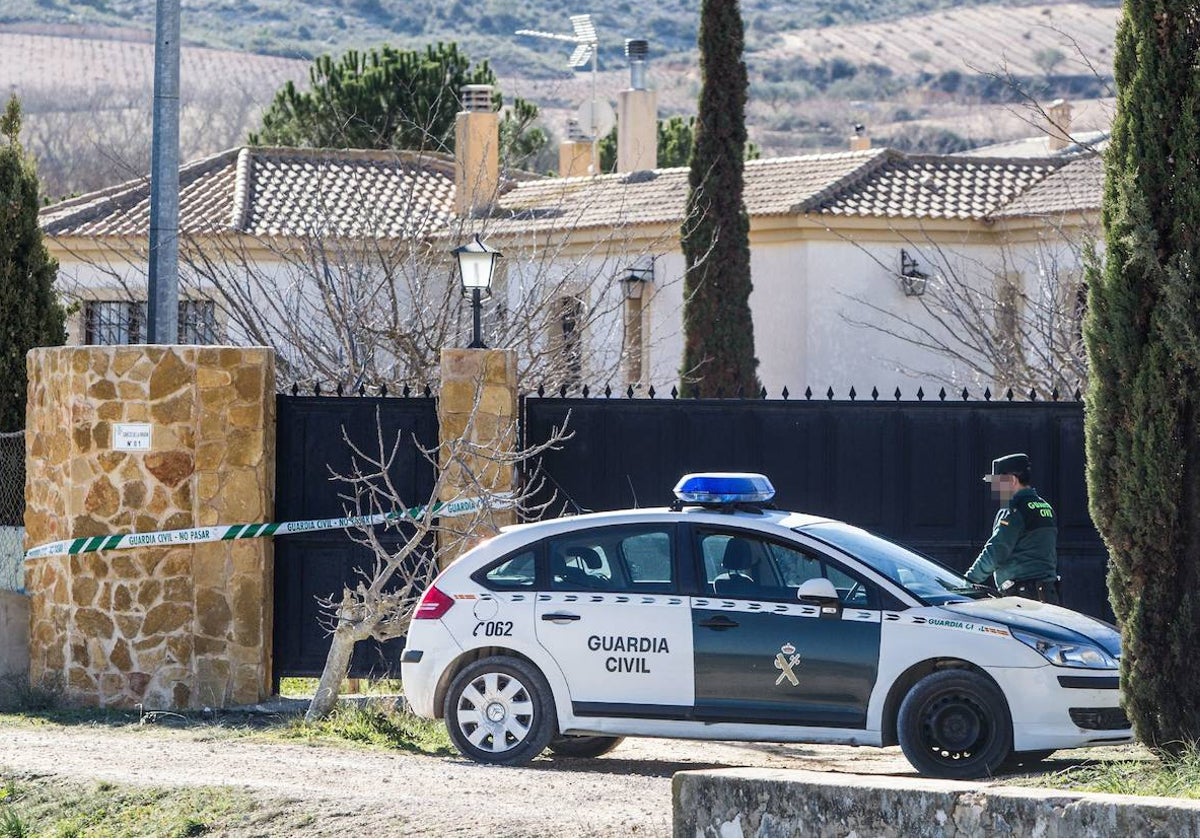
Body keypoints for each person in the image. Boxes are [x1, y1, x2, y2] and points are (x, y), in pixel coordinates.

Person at [964, 453, 1060, 604]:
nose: (994, 488)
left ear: (1013, 480)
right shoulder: (1045, 506)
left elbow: (995, 552)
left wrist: (967, 582)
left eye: (997, 482)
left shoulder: (1014, 510)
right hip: (1048, 592)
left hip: (1024, 597)